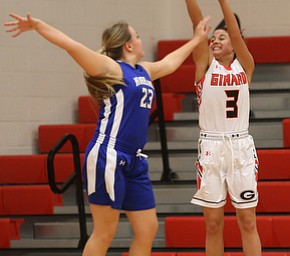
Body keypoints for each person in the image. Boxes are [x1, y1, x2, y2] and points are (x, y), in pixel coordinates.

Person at [4, 12, 211, 256]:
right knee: (105, 232)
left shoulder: (144, 71)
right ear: (129, 45)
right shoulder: (111, 68)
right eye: (138, 36)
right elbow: (73, 46)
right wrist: (38, 25)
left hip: (134, 159)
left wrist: (197, 39)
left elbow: (170, 63)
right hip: (108, 154)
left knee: (148, 228)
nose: (142, 40)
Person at [185, 0, 262, 256]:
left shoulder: (246, 66)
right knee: (213, 223)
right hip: (211, 148)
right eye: (213, 38)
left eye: (222, 37)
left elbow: (235, 31)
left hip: (241, 147)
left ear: (235, 43)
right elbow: (198, 26)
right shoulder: (205, 65)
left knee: (248, 221)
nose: (215, 40)